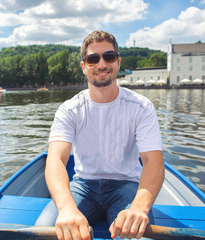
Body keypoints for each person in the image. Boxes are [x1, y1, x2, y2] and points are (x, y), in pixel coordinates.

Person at [35, 31, 164, 240]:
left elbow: (154, 162)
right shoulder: (69, 109)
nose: (102, 64)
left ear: (118, 62)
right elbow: (56, 159)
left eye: (109, 57)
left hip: (126, 185)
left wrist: (139, 208)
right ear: (84, 66)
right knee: (43, 232)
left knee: (139, 236)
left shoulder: (141, 107)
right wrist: (67, 208)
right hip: (83, 185)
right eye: (93, 59)